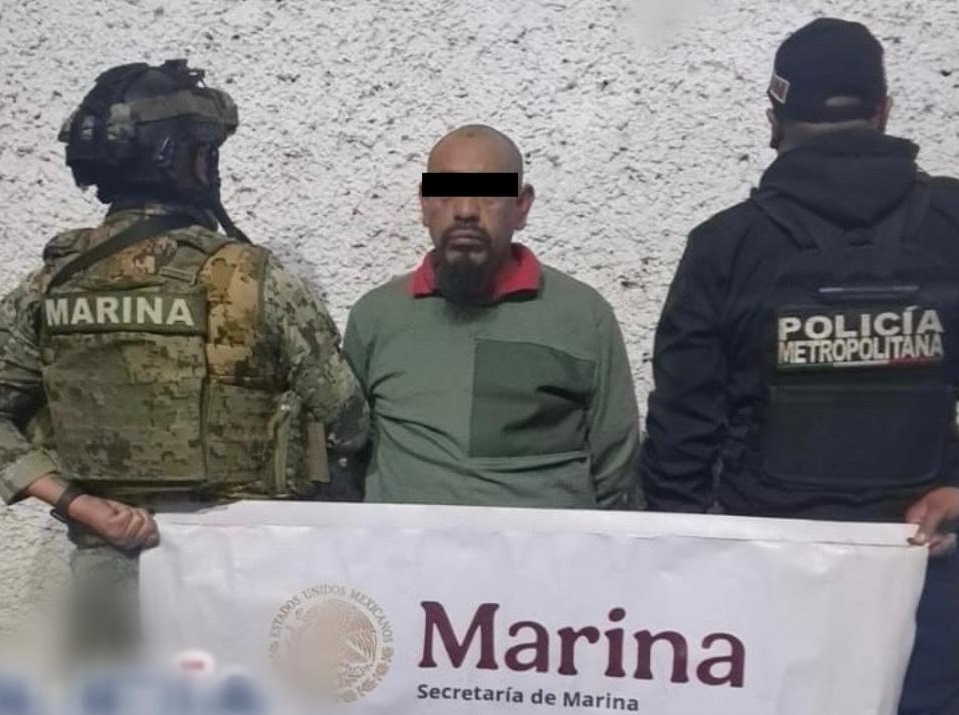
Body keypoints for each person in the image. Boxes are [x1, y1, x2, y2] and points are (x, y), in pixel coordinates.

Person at [0, 59, 369, 664]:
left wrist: (82, 505)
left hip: (112, 575)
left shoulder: (51, 285)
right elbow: (348, 422)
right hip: (245, 574)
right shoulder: (252, 279)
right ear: (188, 161)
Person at [639, 18, 959, 715]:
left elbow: (680, 438)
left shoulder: (725, 245)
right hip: (928, 577)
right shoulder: (951, 224)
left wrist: (680, 576)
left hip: (766, 580)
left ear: (773, 122)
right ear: (882, 110)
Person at [343, 124, 639, 509]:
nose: (465, 211)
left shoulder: (583, 316)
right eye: (447, 191)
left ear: (521, 207)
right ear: (425, 205)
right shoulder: (376, 317)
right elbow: (348, 450)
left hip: (544, 547)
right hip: (404, 547)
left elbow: (615, 471)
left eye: (488, 192)